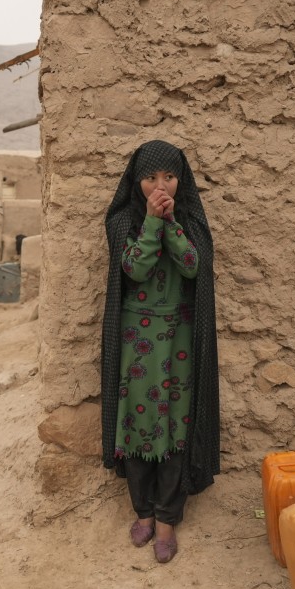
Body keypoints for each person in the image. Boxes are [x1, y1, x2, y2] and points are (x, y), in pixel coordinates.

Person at [101, 139, 220, 564]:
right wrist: (151, 223)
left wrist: (170, 224)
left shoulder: (189, 219)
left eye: (168, 176)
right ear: (137, 183)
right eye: (150, 178)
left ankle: (168, 519)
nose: (160, 185)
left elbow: (192, 266)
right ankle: (144, 512)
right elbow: (134, 268)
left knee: (173, 426)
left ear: (180, 178)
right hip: (136, 340)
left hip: (179, 340)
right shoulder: (123, 222)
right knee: (136, 425)